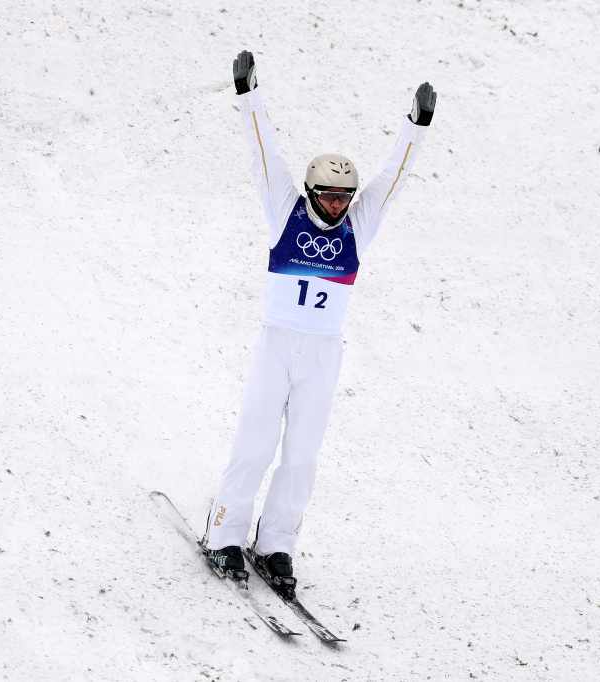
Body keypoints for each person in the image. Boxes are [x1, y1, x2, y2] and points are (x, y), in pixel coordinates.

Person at [202, 50, 436, 596]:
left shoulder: (359, 224)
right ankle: (224, 533)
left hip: (324, 350)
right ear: (310, 190)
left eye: (345, 197)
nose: (337, 204)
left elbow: (392, 178)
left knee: (302, 453)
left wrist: (416, 126)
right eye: (329, 195)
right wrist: (248, 93)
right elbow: (265, 152)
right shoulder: (283, 208)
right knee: (256, 442)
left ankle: (276, 543)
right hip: (277, 343)